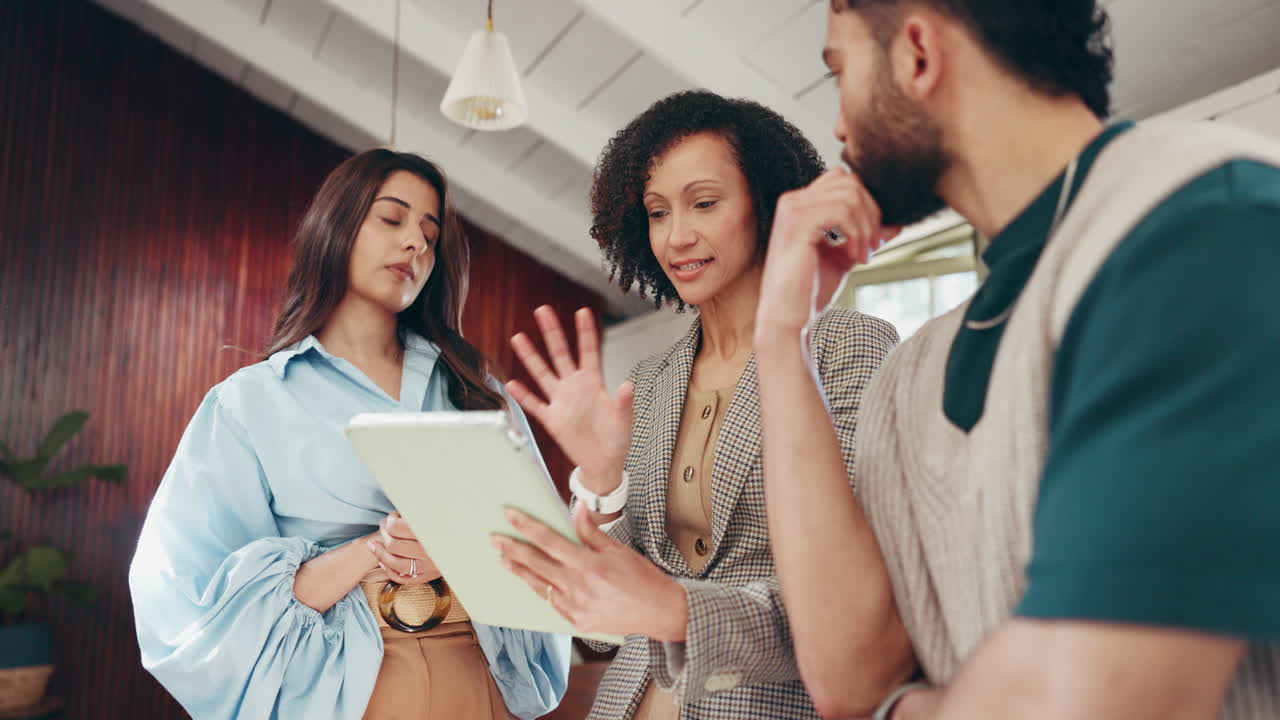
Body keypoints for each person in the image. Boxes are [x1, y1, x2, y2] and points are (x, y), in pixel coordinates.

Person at [755, 1, 1280, 718]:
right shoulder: (906, 378)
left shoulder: (1206, 224)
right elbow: (850, 682)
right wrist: (781, 338)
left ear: (917, 53)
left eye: (840, 72)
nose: (838, 128)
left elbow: (1089, 704)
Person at [489, 90, 912, 719]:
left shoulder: (850, 350)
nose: (676, 236)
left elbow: (849, 607)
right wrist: (601, 480)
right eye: (657, 213)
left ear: (766, 207)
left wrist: (676, 608)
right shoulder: (654, 378)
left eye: (704, 203)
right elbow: (602, 630)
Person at [128, 149, 570, 720]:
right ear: (335, 228)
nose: (415, 243)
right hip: (342, 693)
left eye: (430, 235)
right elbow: (183, 597)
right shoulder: (249, 401)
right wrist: (370, 552)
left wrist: (467, 545)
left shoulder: (477, 390)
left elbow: (549, 557)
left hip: (481, 682)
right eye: (392, 219)